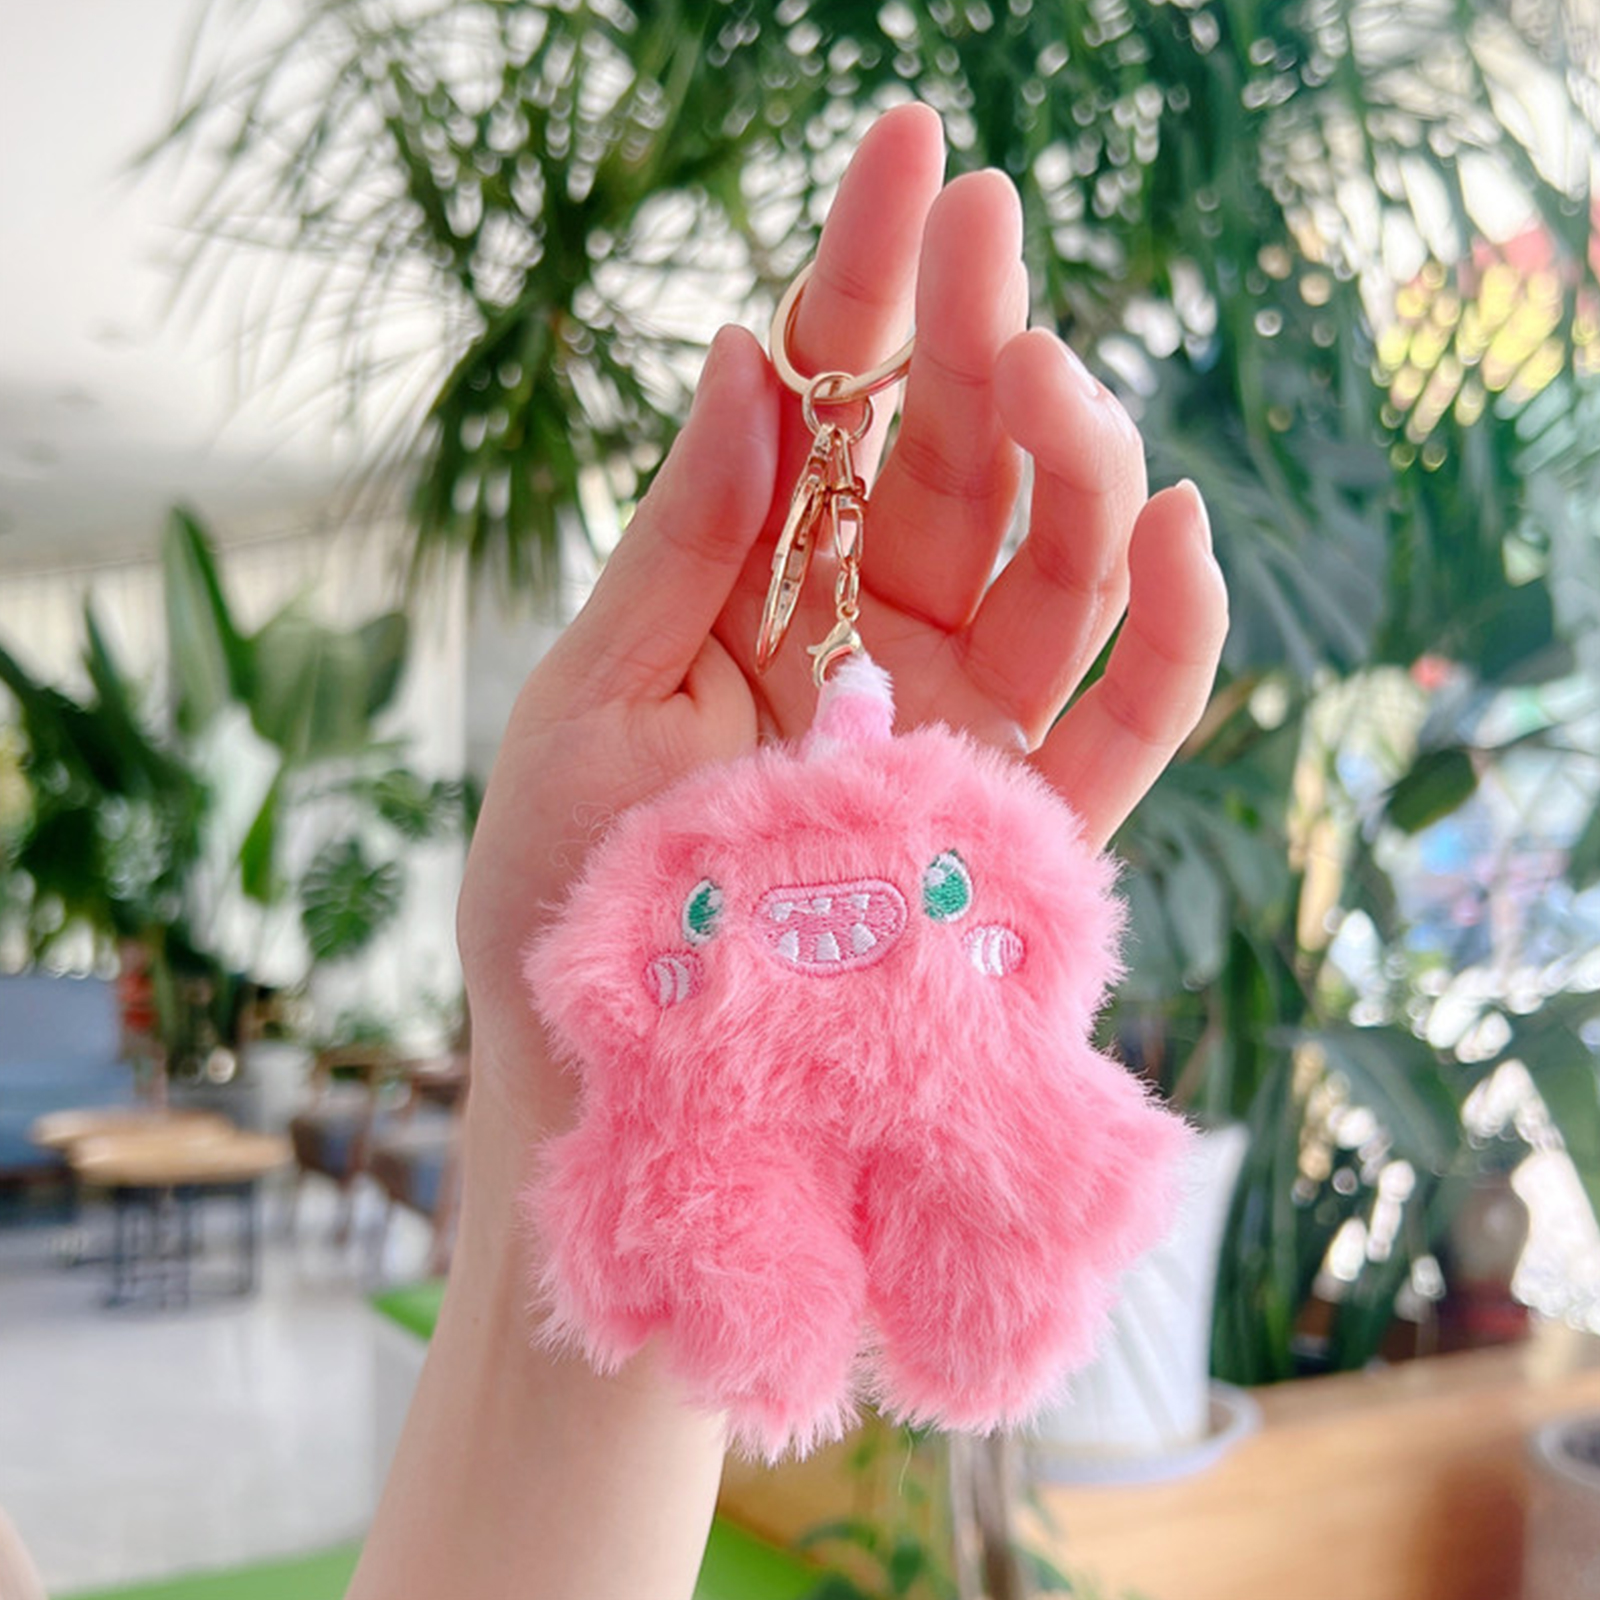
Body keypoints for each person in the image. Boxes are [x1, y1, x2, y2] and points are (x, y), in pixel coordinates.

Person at [346, 102, 1228, 1599]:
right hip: (767, 1005)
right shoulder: (733, 911)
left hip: (834, 988)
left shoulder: (846, 883)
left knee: (932, 1193)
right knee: (795, 1206)